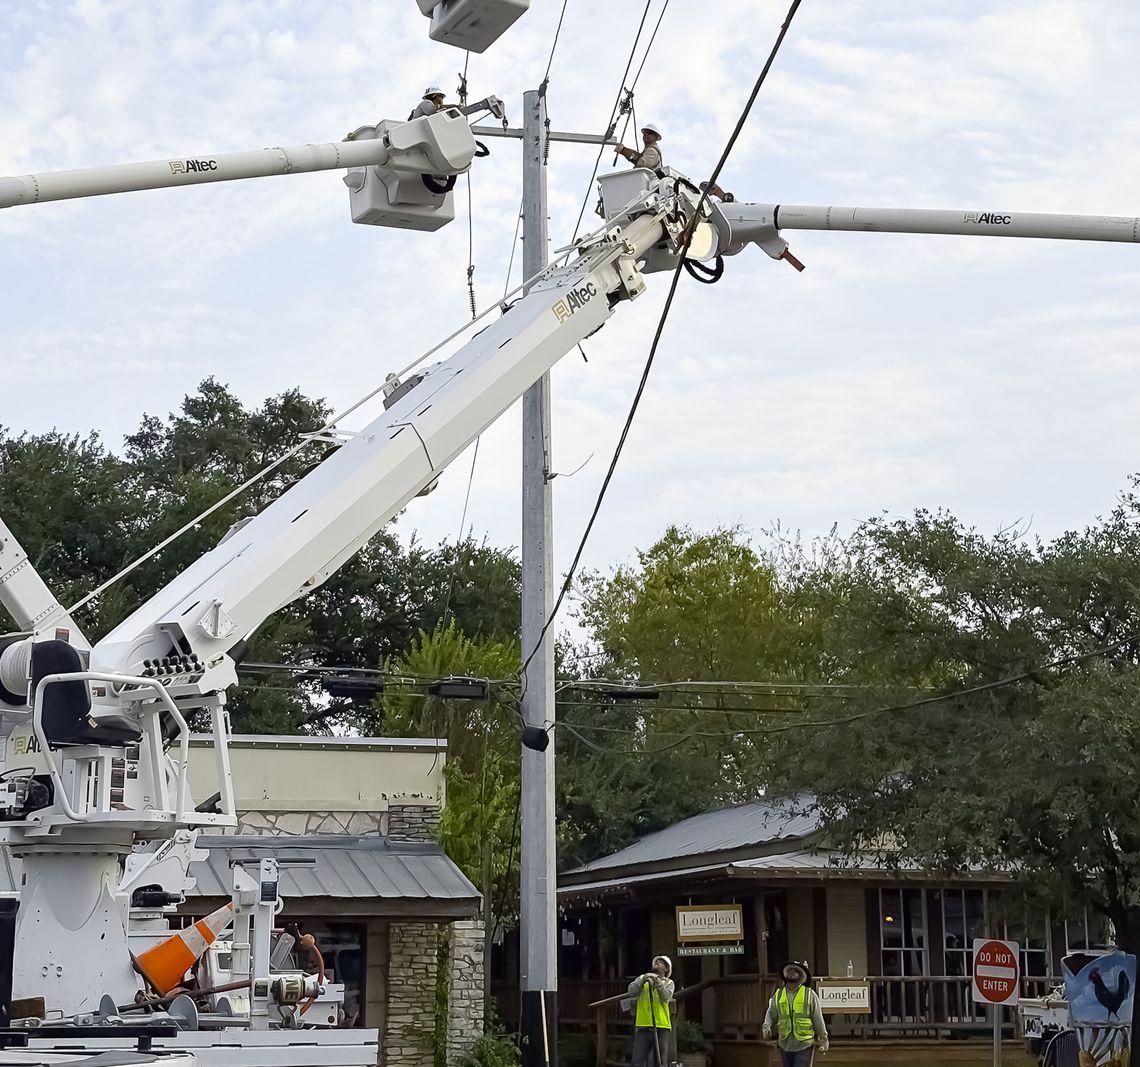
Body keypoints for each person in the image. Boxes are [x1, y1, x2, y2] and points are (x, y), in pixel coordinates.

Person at [763, 960, 829, 1066]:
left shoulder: (809, 994)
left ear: (801, 976)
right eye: (790, 970)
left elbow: (817, 1018)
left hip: (804, 1044)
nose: (792, 972)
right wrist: (766, 1027)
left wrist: (823, 1039)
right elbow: (771, 1014)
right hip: (784, 1044)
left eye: (795, 971)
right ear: (785, 974)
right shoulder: (779, 994)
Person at [626, 955, 674, 1067]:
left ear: (666, 969)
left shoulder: (668, 983)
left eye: (661, 962)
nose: (657, 962)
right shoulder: (642, 978)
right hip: (643, 1025)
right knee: (638, 1060)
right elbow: (631, 991)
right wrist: (642, 981)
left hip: (661, 1026)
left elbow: (666, 997)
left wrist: (657, 982)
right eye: (656, 961)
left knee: (661, 1060)